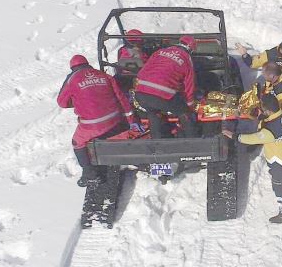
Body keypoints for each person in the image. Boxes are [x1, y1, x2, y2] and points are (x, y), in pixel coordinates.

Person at [58, 55, 140, 186]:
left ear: (72, 68)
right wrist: (131, 120)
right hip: (114, 120)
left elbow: (62, 102)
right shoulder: (103, 75)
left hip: (92, 125)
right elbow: (120, 97)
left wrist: (79, 100)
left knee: (77, 142)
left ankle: (89, 174)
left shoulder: (72, 79)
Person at [233, 94, 282, 224]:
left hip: (281, 162)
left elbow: (253, 138)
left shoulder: (269, 129)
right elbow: (277, 122)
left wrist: (235, 136)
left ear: (268, 111)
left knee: (278, 186)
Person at [134, 36, 199, 139]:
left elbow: (143, 70)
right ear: (191, 49)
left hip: (141, 93)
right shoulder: (186, 58)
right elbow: (189, 85)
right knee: (184, 112)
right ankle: (192, 140)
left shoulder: (160, 51)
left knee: (153, 112)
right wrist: (190, 105)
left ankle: (157, 142)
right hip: (162, 95)